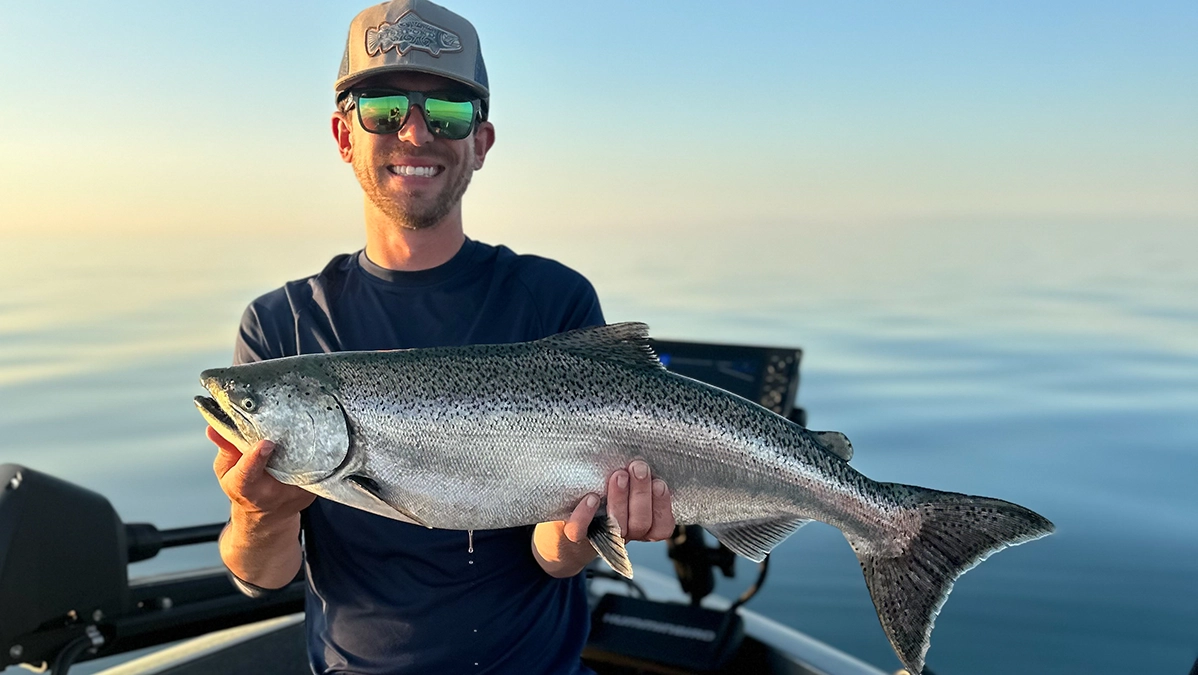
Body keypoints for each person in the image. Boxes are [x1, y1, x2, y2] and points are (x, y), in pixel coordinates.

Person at [204, 1, 676, 673]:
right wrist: (259, 512)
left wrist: (584, 534)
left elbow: (550, 552)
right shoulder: (283, 328)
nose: (417, 133)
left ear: (480, 143)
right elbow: (263, 575)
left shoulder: (552, 298)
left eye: (449, 113)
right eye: (384, 110)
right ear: (344, 136)